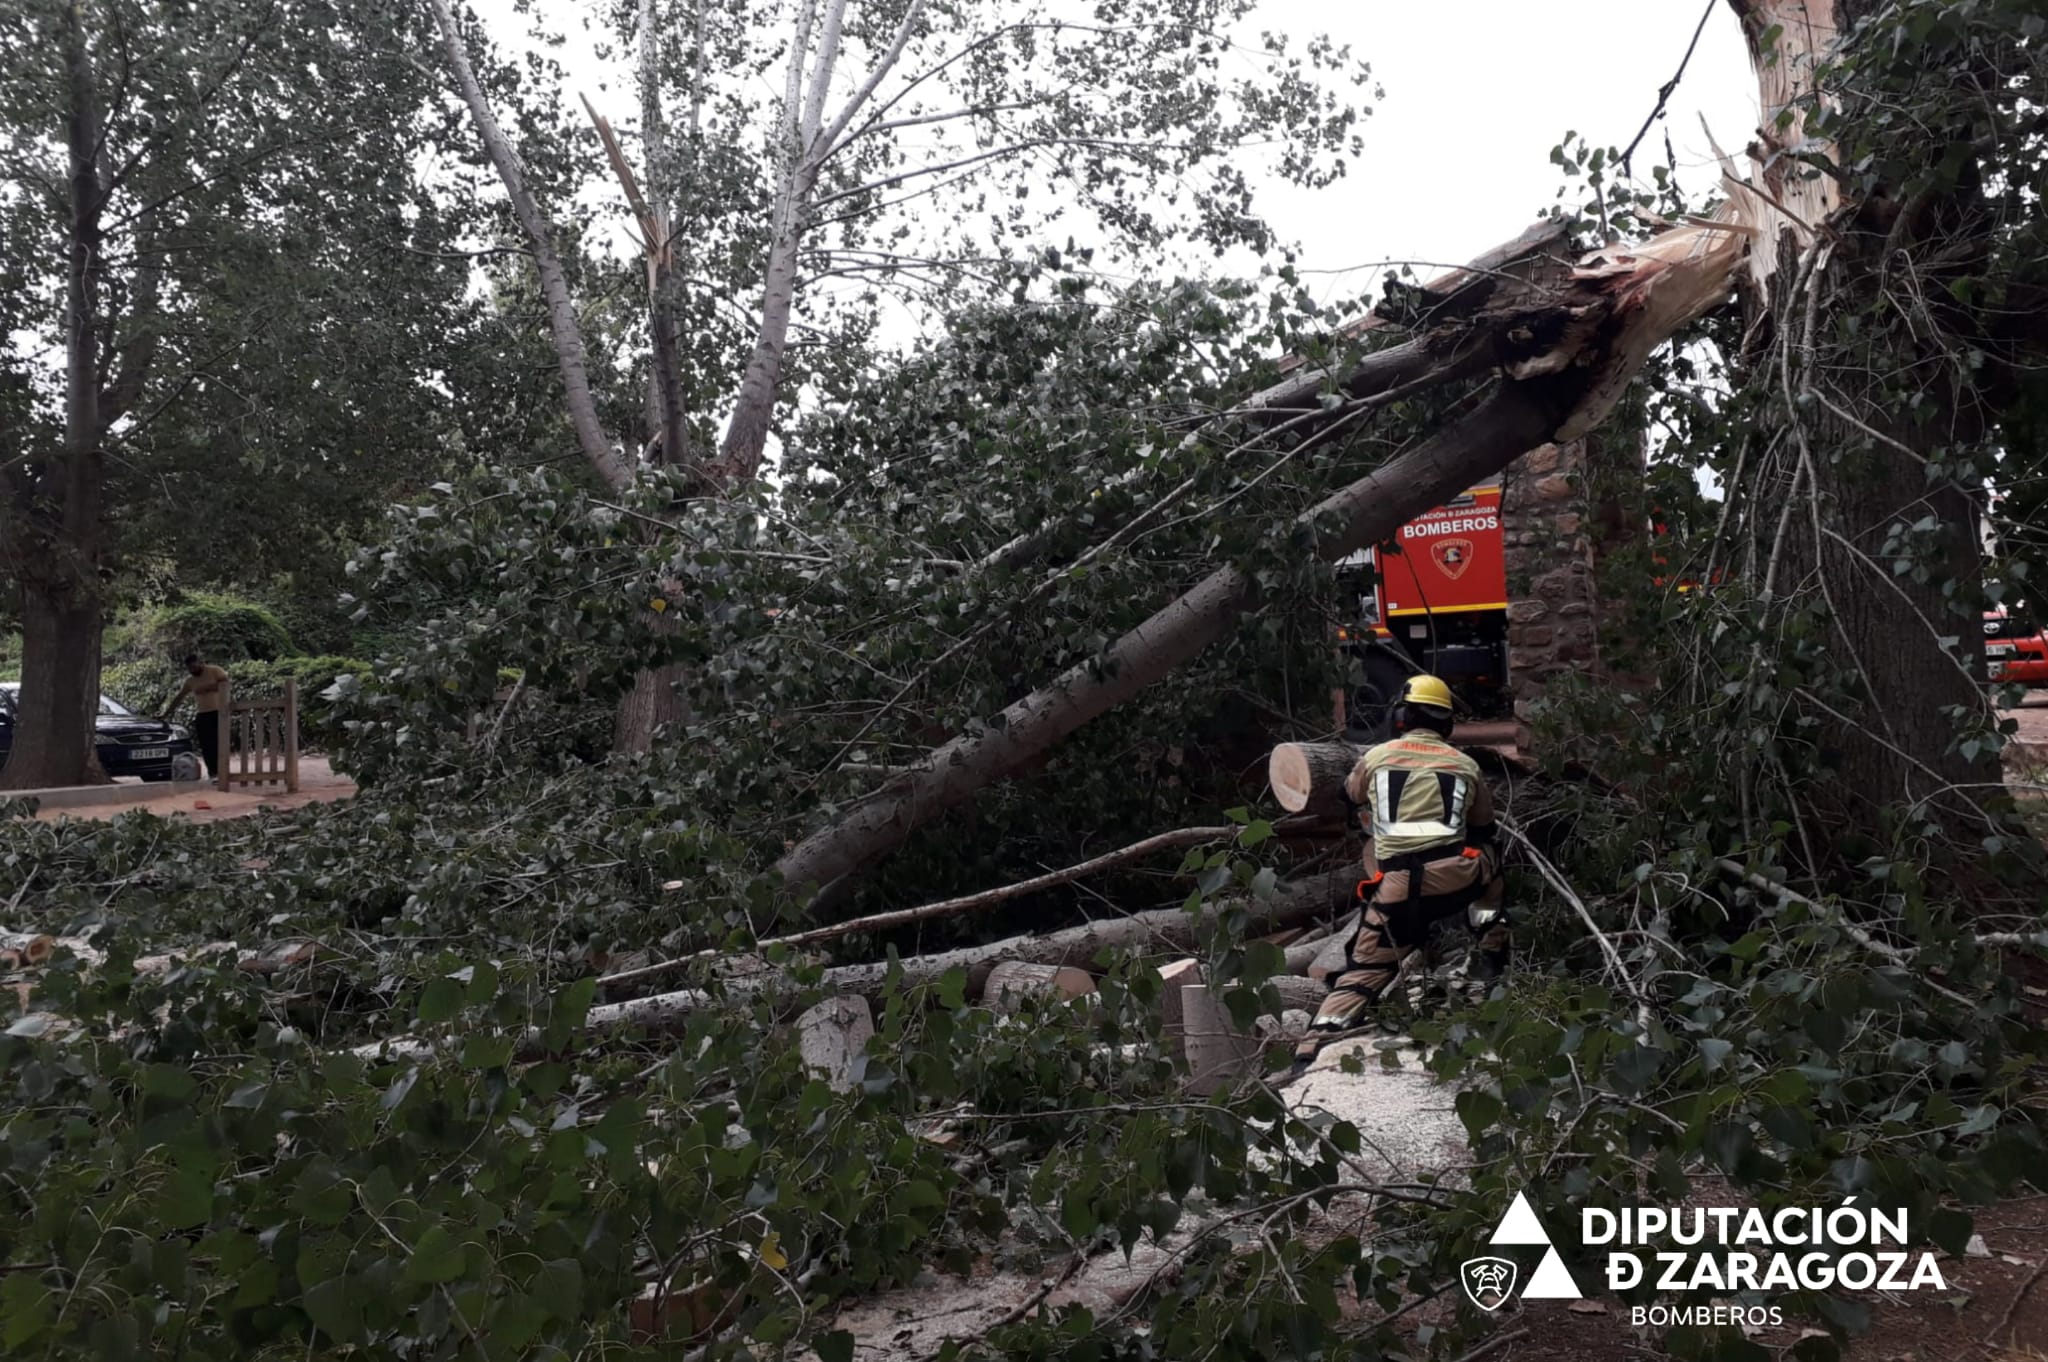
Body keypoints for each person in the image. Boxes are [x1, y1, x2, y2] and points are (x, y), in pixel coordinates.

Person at [1293, 674, 1508, 1069]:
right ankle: (1490, 946)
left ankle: (1312, 1046)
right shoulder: (1464, 764)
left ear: (1401, 716)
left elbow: (1347, 793)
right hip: (1453, 879)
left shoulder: (1376, 757)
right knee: (1491, 859)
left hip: (1394, 888)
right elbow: (1483, 829)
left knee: (1364, 972)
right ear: (1446, 723)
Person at [161, 654, 231, 778]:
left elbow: (225, 684)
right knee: (206, 745)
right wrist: (166, 713)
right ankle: (213, 772)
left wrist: (206, 687)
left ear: (200, 663)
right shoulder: (190, 681)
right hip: (203, 714)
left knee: (220, 743)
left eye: (194, 667)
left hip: (218, 712)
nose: (192, 670)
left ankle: (224, 771)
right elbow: (179, 697)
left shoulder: (215, 671)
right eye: (189, 669)